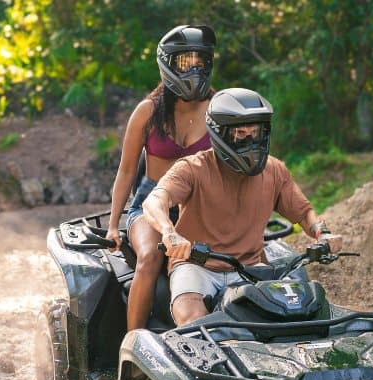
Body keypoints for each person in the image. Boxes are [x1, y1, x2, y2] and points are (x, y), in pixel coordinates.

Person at [142, 87, 343, 326]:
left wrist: (322, 232)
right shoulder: (192, 168)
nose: (250, 140)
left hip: (250, 269)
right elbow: (155, 201)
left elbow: (305, 213)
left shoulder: (274, 170)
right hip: (197, 266)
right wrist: (169, 233)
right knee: (193, 321)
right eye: (240, 133)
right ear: (219, 133)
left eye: (255, 132)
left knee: (294, 319)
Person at [105, 25, 216, 331]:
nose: (194, 68)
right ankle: (133, 349)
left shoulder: (220, 108)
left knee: (221, 262)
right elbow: (126, 171)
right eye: (185, 61)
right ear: (168, 63)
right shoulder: (147, 111)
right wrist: (114, 225)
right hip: (151, 205)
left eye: (200, 61)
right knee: (151, 257)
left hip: (201, 204)